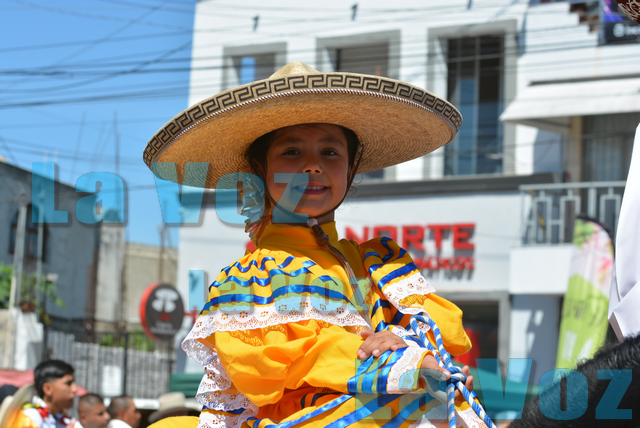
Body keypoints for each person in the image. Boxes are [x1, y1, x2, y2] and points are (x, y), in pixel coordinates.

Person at [143, 62, 484, 427]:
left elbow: (439, 355)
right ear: (259, 170)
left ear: (351, 167)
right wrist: (399, 363)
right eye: (291, 152)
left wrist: (424, 367)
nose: (312, 166)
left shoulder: (382, 265)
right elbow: (295, 358)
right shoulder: (253, 277)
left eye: (330, 152)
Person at [11, 360, 77, 428]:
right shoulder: (30, 418)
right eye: (68, 383)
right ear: (48, 389)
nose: (75, 389)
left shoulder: (66, 421)